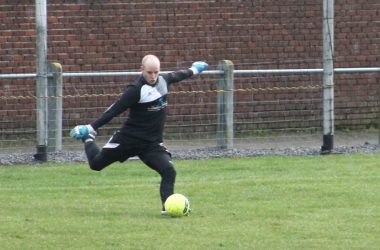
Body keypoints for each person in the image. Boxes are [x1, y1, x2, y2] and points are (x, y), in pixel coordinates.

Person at [70, 54, 208, 215]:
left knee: (169, 171)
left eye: (156, 72)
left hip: (151, 144)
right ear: (141, 70)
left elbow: (179, 75)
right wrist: (91, 128)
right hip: (128, 139)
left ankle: (167, 208)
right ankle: (88, 139)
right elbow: (114, 110)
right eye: (149, 72)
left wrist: (194, 69)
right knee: (96, 165)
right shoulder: (135, 90)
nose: (153, 76)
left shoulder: (164, 80)